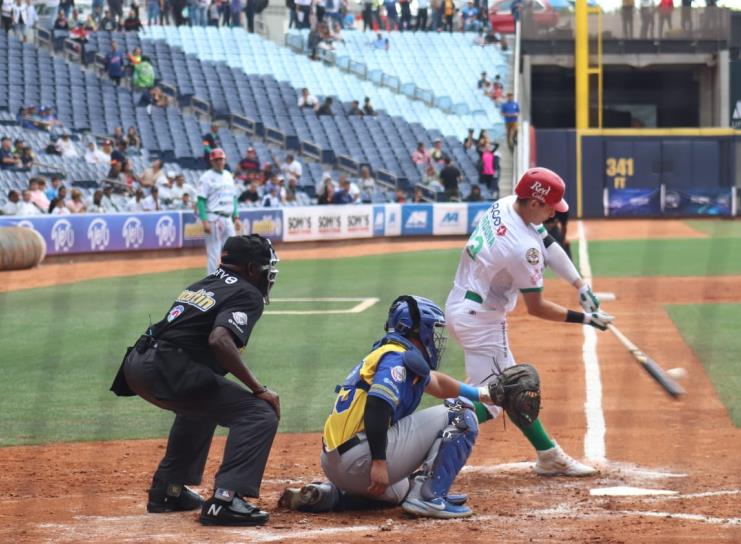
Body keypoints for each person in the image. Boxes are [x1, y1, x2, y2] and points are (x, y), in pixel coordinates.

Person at [445, 167, 612, 477]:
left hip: (463, 305)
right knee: (497, 399)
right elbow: (535, 307)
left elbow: (548, 245)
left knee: (512, 390)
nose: (553, 214)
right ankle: (421, 436)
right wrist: (585, 318)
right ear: (534, 203)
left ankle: (548, 454)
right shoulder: (522, 247)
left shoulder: (508, 204)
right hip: (481, 321)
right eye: (550, 207)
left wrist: (581, 285)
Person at [110, 235, 280, 527]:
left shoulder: (206, 282)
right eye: (266, 268)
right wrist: (259, 389)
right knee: (259, 414)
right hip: (166, 368)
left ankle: (168, 491)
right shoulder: (248, 293)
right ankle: (226, 500)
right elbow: (219, 339)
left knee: (203, 401)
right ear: (252, 268)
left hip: (138, 364)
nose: (269, 275)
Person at [276, 296, 481, 518]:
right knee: (460, 413)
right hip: (362, 459)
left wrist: (484, 394)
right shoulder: (397, 358)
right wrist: (379, 463)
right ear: (416, 329)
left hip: (335, 463)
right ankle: (429, 496)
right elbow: (377, 405)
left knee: (398, 491)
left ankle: (329, 494)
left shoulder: (389, 354)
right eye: (432, 329)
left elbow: (438, 383)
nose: (435, 336)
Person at [198, 148, 242, 275]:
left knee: (234, 250)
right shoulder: (206, 177)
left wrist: (236, 217)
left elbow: (233, 198)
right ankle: (212, 281)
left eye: (221, 159)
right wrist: (204, 220)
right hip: (214, 218)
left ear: (225, 160)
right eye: (216, 160)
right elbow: (200, 200)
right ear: (211, 161)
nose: (219, 162)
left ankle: (231, 277)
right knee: (214, 252)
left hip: (228, 218)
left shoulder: (228, 175)